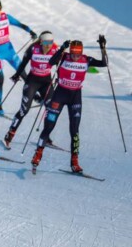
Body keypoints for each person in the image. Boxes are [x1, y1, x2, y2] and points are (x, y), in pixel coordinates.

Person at [31, 37, 108, 174]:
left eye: (78, 55)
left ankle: (74, 162)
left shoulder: (86, 60)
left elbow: (104, 63)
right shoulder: (63, 57)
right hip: (60, 95)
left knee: (74, 130)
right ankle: (38, 154)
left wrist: (103, 48)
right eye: (73, 54)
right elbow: (50, 62)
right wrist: (61, 49)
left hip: (75, 97)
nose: (75, 57)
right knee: (49, 126)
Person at [3, 31, 58, 148]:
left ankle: (45, 136)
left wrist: (59, 76)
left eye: (51, 42)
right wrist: (17, 75)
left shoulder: (55, 49)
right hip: (32, 81)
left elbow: (60, 63)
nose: (49, 45)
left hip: (46, 82)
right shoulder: (33, 49)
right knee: (24, 110)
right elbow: (23, 63)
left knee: (51, 109)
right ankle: (10, 134)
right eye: (46, 42)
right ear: (41, 42)